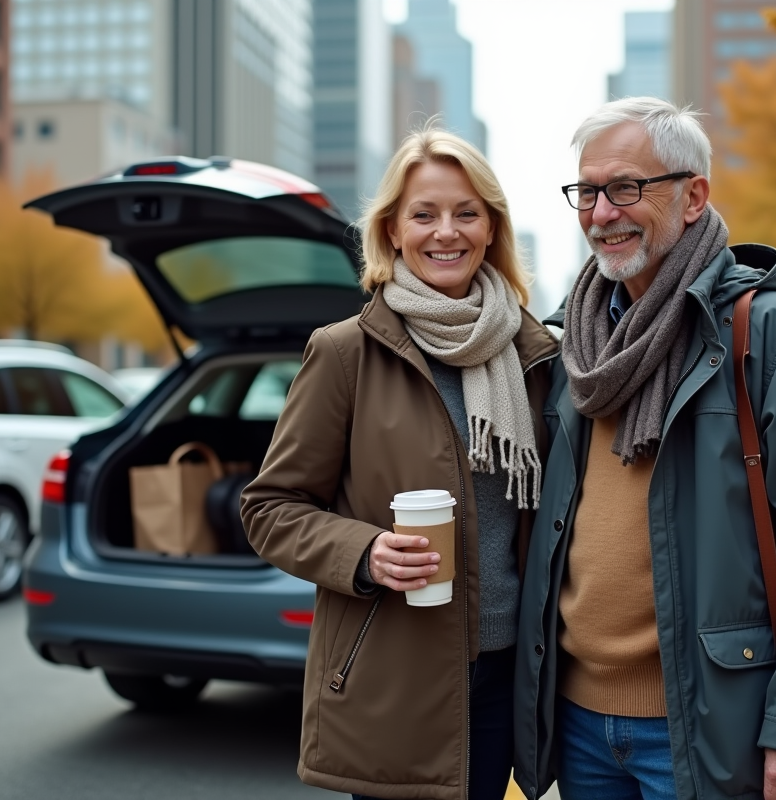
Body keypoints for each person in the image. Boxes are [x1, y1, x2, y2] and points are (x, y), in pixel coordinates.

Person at [513, 97, 776, 800]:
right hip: (582, 727)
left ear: (694, 197)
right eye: (587, 192)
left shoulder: (774, 334)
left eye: (626, 188)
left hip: (713, 727)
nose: (601, 212)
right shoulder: (578, 347)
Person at [241, 128, 559, 800]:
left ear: (492, 227)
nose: (447, 232)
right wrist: (365, 551)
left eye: (467, 212)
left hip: (510, 677)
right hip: (392, 674)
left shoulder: (537, 356)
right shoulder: (345, 353)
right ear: (391, 231)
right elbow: (269, 509)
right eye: (424, 214)